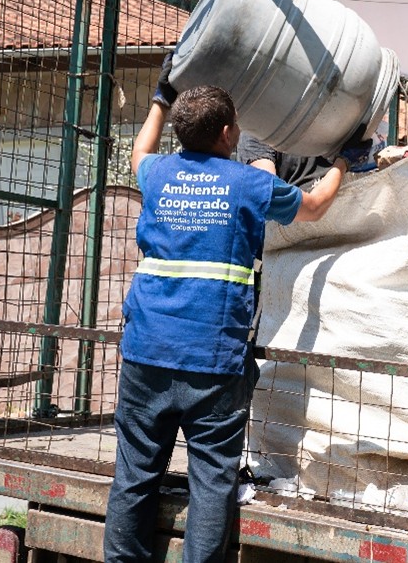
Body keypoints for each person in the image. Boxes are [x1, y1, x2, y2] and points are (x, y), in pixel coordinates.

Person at [104, 73, 362, 562]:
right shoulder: (250, 184)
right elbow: (315, 207)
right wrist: (346, 161)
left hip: (147, 353)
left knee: (134, 475)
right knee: (211, 481)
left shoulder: (156, 174)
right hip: (214, 360)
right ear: (226, 133)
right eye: (237, 126)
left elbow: (140, 150)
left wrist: (161, 99)